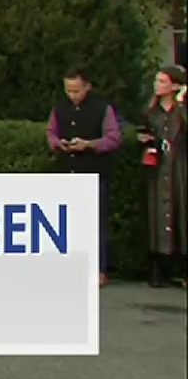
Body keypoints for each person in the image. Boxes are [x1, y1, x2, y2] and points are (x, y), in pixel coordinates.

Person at [48, 69, 122, 286]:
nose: (72, 95)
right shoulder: (59, 109)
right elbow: (50, 131)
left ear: (87, 86)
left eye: (76, 90)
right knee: (67, 223)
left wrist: (90, 144)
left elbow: (113, 138)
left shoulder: (102, 108)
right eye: (68, 90)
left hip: (93, 172)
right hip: (67, 171)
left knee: (96, 224)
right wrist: (56, 143)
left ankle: (99, 269)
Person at [134, 65, 187, 288]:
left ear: (175, 86)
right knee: (157, 212)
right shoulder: (151, 112)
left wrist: (182, 101)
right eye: (157, 81)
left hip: (180, 166)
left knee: (181, 210)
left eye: (163, 81)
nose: (158, 85)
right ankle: (158, 265)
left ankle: (182, 266)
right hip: (158, 166)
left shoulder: (181, 110)